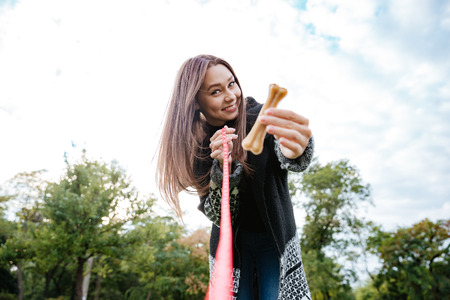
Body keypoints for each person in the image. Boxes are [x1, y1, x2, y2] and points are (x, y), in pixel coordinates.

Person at [156, 54, 313, 300]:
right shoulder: (198, 146)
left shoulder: (262, 116)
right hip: (232, 251)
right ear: (196, 101)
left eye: (231, 84)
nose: (231, 95)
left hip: (276, 242)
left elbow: (290, 157)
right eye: (216, 91)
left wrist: (297, 150)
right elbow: (218, 214)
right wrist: (222, 169)